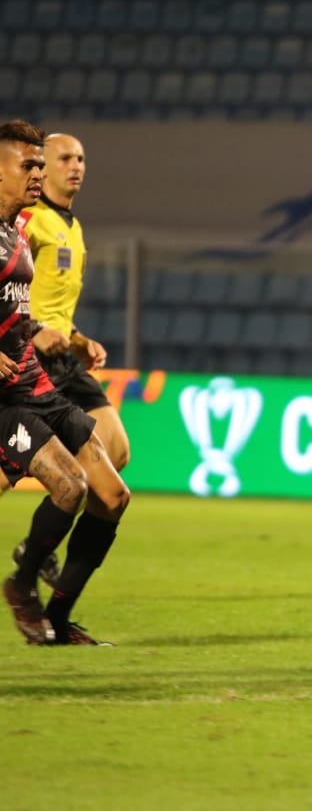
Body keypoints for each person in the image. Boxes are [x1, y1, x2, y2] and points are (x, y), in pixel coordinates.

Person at [0, 120, 130, 646]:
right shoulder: (28, 225)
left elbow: (19, 312)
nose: (39, 173)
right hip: (10, 394)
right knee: (70, 485)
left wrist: (70, 337)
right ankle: (27, 583)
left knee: (113, 492)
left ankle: (49, 609)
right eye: (30, 164)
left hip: (40, 381)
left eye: (39, 164)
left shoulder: (17, 233)